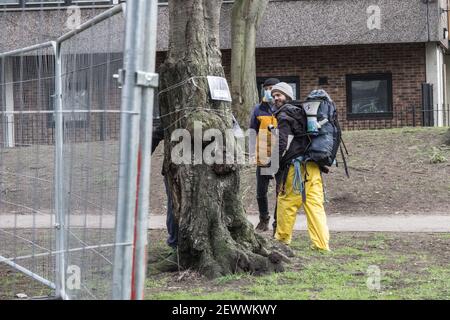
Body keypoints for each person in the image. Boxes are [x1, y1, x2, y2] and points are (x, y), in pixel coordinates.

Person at [271, 82, 330, 251]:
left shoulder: (284, 114)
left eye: (279, 95)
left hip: (295, 168)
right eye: (274, 95)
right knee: (315, 205)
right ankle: (321, 244)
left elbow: (282, 143)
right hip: (313, 166)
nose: (276, 98)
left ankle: (281, 240)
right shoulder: (305, 112)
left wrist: (272, 163)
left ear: (287, 97)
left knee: (287, 202)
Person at [249, 78, 280, 232]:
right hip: (263, 154)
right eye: (266, 88)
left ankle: (278, 222)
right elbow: (252, 131)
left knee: (280, 192)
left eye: (272, 88)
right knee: (261, 192)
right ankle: (264, 219)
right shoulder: (258, 109)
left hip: (280, 155)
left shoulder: (283, 108)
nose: (269, 91)